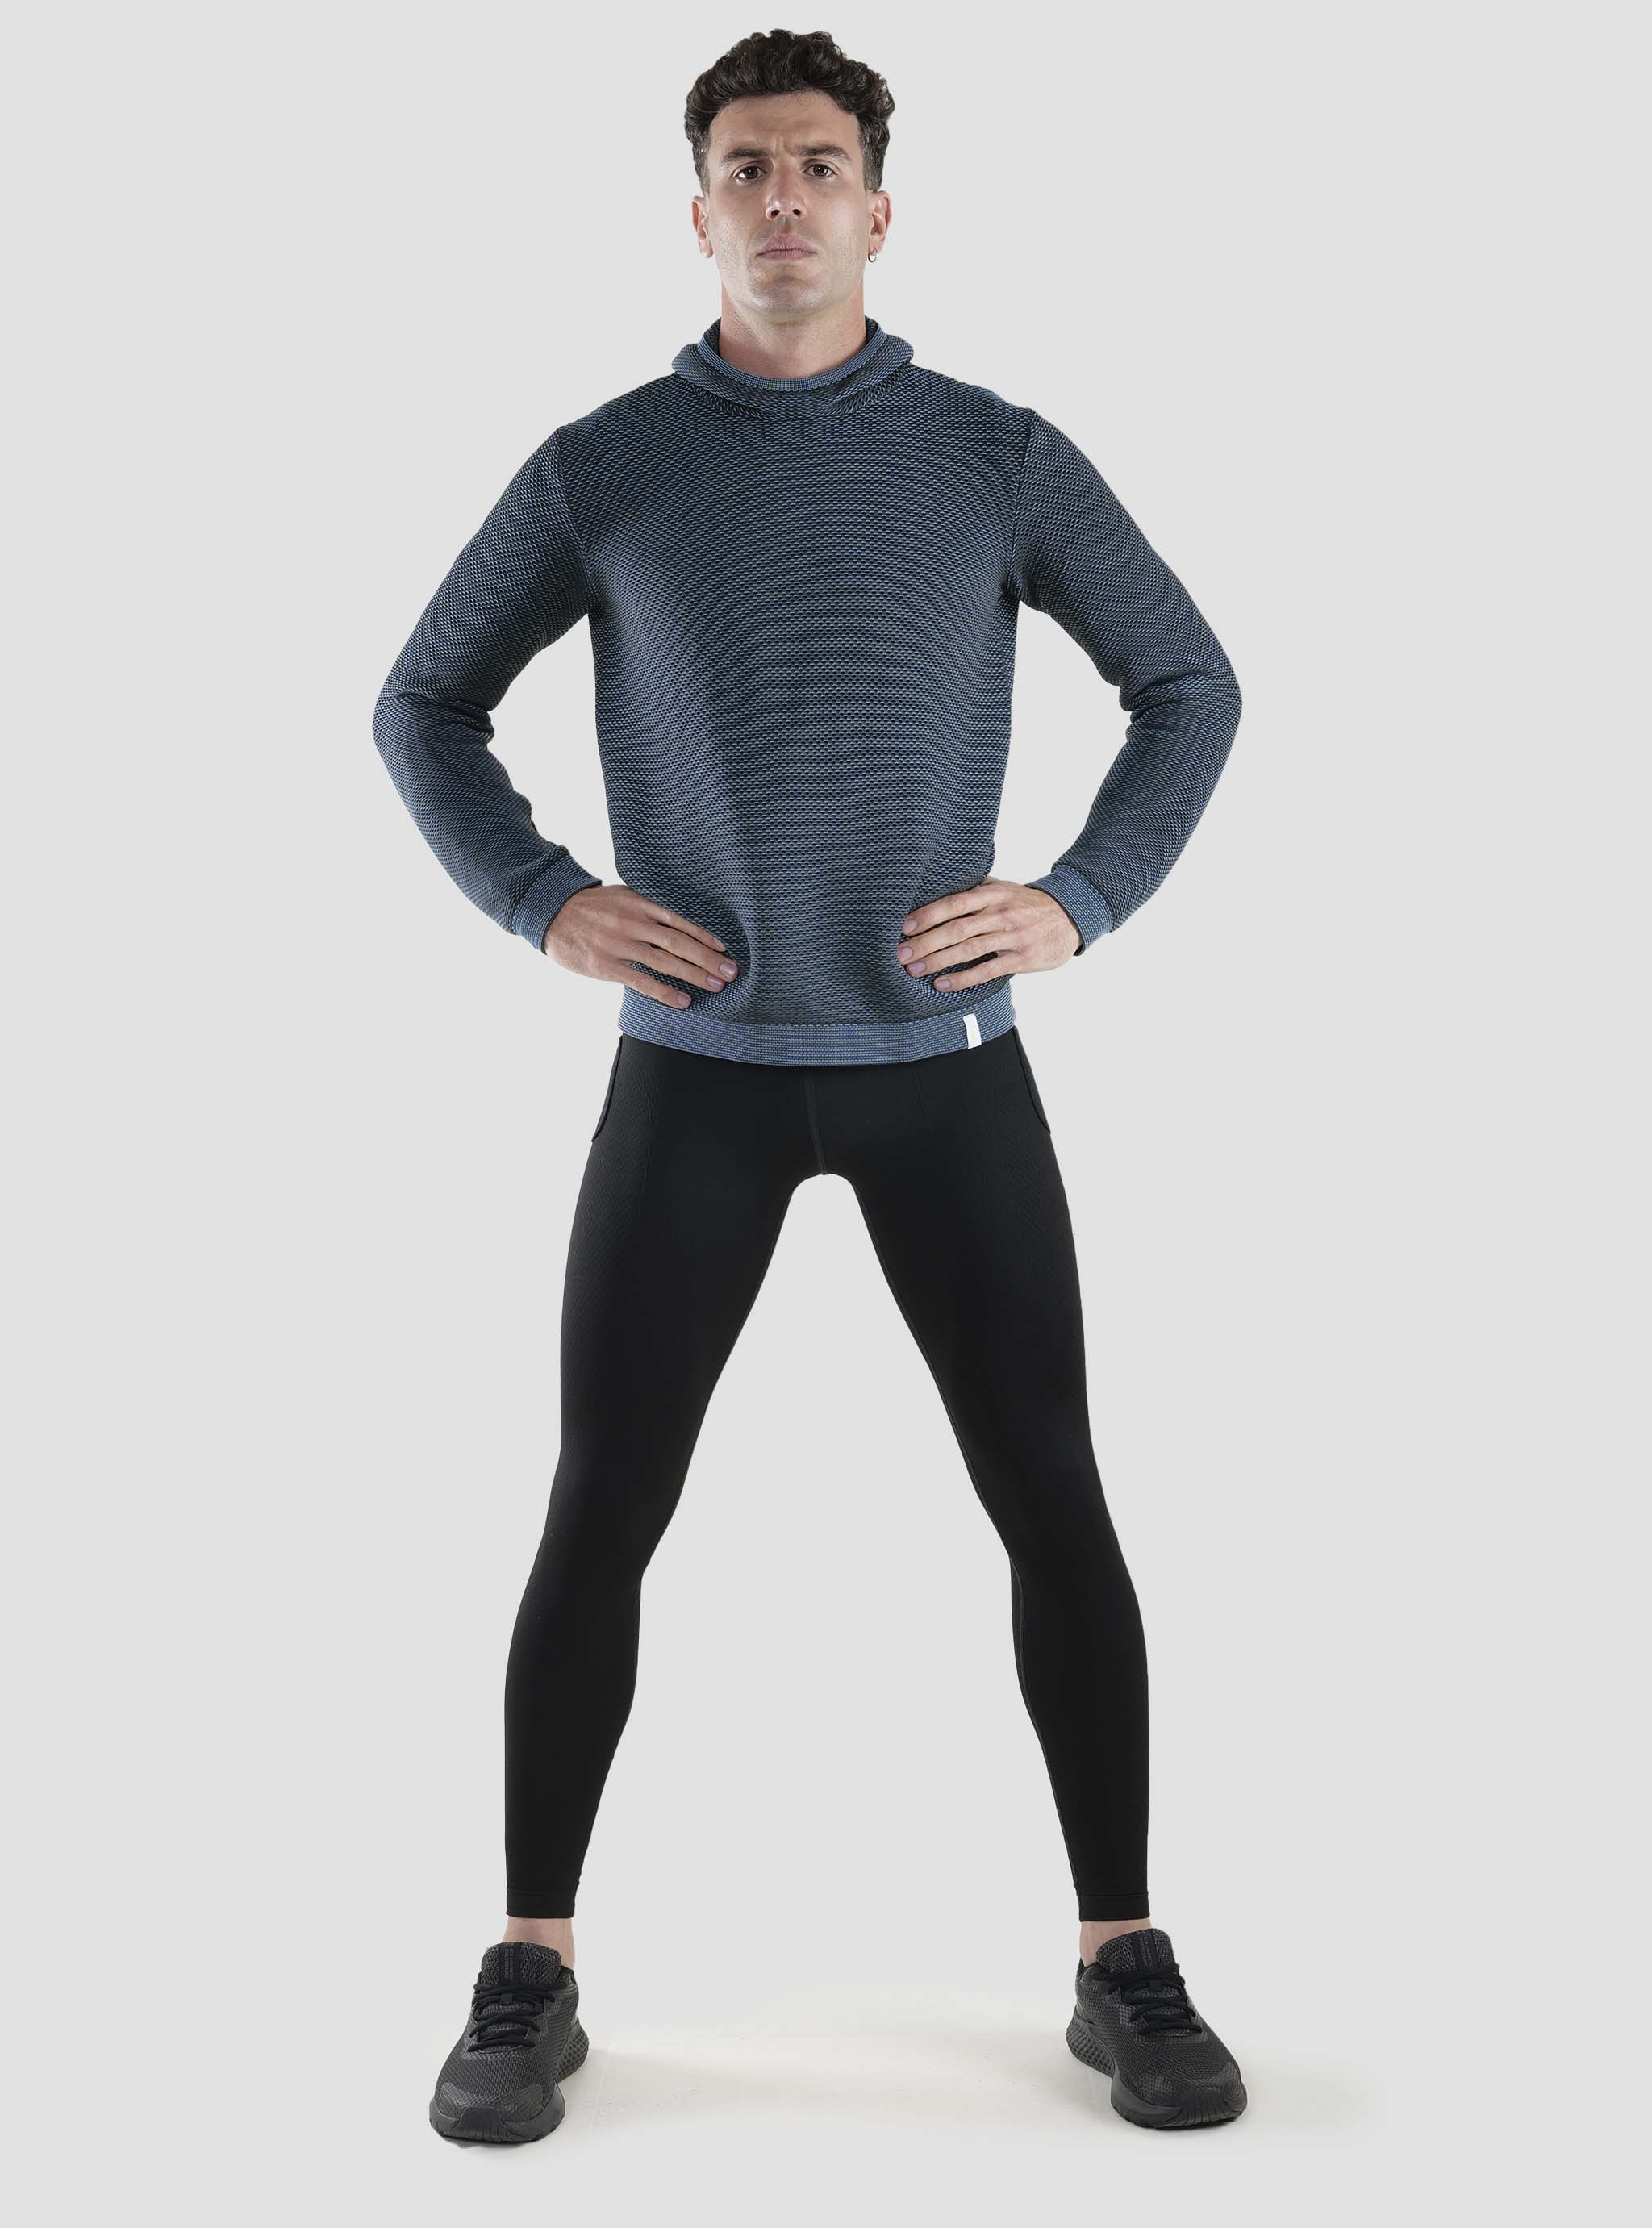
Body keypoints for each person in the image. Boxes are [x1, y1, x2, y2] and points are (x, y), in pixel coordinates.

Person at [373, 27, 1247, 2144]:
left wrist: (1080, 901)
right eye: (750, 166)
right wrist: (543, 898)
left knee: (1052, 1494)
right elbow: (422, 699)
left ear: (879, 208)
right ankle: (530, 1963)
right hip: (697, 1075)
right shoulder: (602, 469)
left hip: (947, 1068)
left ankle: (1122, 1953)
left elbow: (1188, 680)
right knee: (603, 1504)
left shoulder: (996, 457)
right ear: (699, 215)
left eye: (821, 164)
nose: (786, 196)